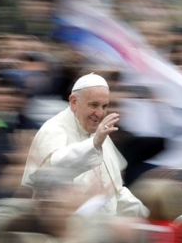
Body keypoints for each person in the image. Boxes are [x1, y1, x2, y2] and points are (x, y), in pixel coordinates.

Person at [22, 73, 148, 217]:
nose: (100, 113)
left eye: (104, 106)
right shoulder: (53, 129)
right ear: (74, 102)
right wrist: (93, 144)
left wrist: (147, 215)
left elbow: (115, 192)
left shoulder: (99, 133)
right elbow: (53, 168)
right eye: (94, 105)